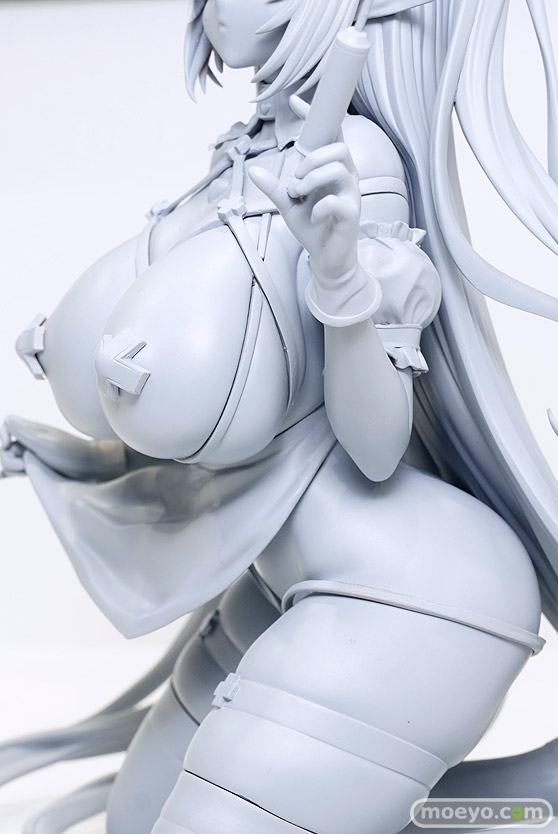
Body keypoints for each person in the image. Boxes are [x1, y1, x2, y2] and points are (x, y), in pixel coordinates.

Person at [2, 1, 558, 833]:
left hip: (405, 595)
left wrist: (339, 277)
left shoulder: (353, 161)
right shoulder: (245, 152)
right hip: (281, 577)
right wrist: (61, 455)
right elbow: (243, 433)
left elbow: (375, 450)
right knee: (135, 821)